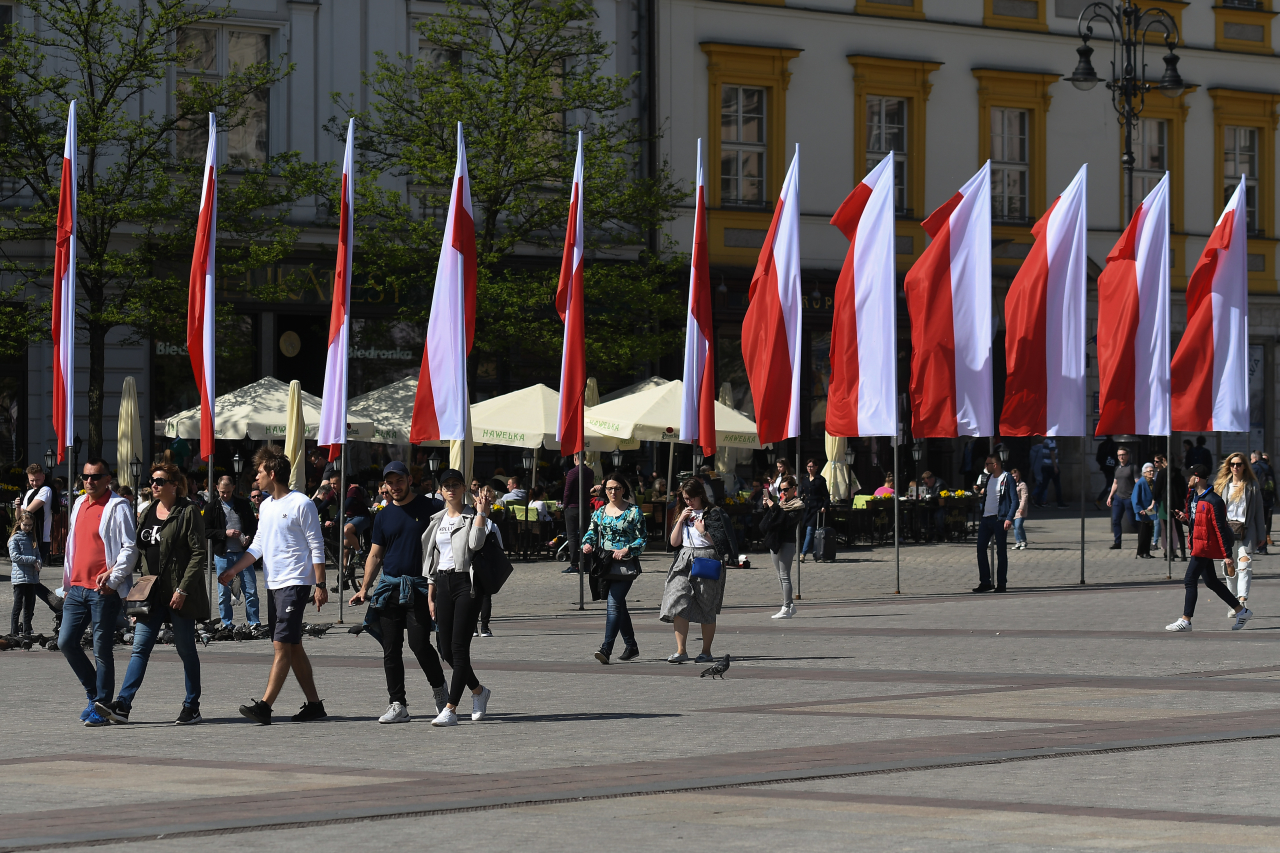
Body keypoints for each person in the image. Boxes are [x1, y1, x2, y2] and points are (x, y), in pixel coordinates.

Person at [219, 446, 329, 725]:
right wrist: (233, 570)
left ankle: (265, 706)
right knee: (292, 646)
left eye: (259, 472)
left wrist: (321, 584)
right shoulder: (265, 506)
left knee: (281, 645)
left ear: (271, 473)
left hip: (296, 582)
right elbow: (258, 546)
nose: (256, 477)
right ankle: (315, 705)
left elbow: (317, 545)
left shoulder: (301, 503)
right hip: (273, 582)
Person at [96, 463, 209, 725]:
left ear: (174, 484)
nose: (154, 485)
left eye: (160, 480)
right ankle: (123, 706)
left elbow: (198, 554)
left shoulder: (188, 511)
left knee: (186, 650)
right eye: (152, 480)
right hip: (151, 593)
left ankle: (192, 705)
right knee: (139, 649)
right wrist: (114, 569)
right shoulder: (147, 511)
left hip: (178, 592)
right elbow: (135, 548)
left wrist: (183, 588)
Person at [349, 461, 449, 724]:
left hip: (419, 587)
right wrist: (364, 588)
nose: (394, 487)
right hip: (390, 588)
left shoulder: (431, 507)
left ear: (409, 480)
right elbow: (375, 553)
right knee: (390, 648)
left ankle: (441, 694)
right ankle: (397, 704)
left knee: (419, 644)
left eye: (399, 481)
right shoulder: (382, 516)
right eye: (390, 483)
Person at [59, 459, 138, 726]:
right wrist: (67, 583)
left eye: (95, 477)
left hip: (103, 591)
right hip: (77, 588)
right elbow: (73, 545)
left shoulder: (118, 506)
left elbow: (129, 548)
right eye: (85, 477)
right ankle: (95, 697)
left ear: (108, 479)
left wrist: (114, 578)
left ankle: (102, 705)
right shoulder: (79, 504)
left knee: (101, 649)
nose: (89, 482)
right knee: (66, 642)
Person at [420, 467, 495, 726]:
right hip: (442, 582)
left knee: (459, 647)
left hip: (467, 583)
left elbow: (475, 544)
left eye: (456, 484)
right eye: (446, 485)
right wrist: (431, 589)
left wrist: (482, 514)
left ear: (464, 488)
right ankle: (478, 691)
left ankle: (451, 709)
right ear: (440, 491)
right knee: (444, 648)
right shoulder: (437, 519)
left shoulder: (473, 515)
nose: (451, 488)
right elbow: (433, 557)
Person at [1166, 464, 1252, 632]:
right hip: (1197, 544)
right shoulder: (1193, 497)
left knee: (1190, 580)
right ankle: (1241, 611)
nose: (1187, 479)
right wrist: (1185, 520)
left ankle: (1186, 620)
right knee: (1211, 581)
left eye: (1189, 476)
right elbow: (1198, 523)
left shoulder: (1214, 501)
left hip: (1204, 547)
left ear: (1197, 478)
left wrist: (1227, 554)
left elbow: (1220, 528)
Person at [661, 478, 737, 662]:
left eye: (691, 498)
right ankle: (681, 650)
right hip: (684, 559)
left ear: (700, 495)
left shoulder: (713, 513)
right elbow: (674, 543)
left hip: (707, 559)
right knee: (677, 599)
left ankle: (706, 652)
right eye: (685, 498)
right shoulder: (682, 512)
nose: (688, 502)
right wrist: (680, 521)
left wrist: (703, 531)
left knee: (706, 605)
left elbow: (722, 543)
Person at [582, 474, 647, 664]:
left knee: (613, 603)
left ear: (623, 489)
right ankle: (631, 645)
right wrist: (587, 544)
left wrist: (628, 548)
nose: (613, 492)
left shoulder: (634, 512)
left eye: (617, 488)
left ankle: (606, 648)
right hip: (604, 563)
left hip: (625, 565)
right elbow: (591, 532)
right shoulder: (600, 512)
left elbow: (642, 538)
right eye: (609, 488)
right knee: (619, 606)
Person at [206, 475, 260, 629]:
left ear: (233, 489)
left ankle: (254, 622)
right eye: (222, 492)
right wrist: (225, 533)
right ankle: (226, 623)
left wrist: (249, 536)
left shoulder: (243, 504)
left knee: (250, 589)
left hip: (243, 554)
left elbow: (253, 525)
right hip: (223, 554)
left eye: (228, 492)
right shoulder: (212, 507)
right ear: (217, 488)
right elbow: (206, 531)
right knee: (224, 592)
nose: (225, 495)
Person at [1216, 452, 1266, 612]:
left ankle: (1242, 599)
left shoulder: (1252, 485)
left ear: (1244, 466)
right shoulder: (1222, 485)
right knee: (1229, 568)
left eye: (1238, 464)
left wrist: (1261, 534)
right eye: (1232, 464)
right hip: (1227, 531)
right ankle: (1234, 602)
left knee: (1244, 566)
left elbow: (1259, 511)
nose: (1235, 467)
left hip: (1247, 530)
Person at [759, 474, 805, 618]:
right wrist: (767, 507)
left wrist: (775, 508)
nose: (783, 493)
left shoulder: (798, 505)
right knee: (780, 575)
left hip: (787, 542)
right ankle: (790, 605)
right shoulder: (782, 503)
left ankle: (786, 607)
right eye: (781, 490)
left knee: (785, 576)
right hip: (775, 541)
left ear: (794, 489)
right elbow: (771, 522)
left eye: (785, 490)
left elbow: (785, 522)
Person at [9, 510, 58, 634]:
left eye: (30, 525)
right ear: (19, 523)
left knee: (29, 605)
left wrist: (39, 563)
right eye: (25, 525)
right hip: (19, 577)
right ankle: (14, 630)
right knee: (18, 604)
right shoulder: (15, 538)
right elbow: (15, 557)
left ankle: (27, 629)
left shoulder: (33, 538)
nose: (27, 527)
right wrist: (33, 560)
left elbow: (38, 555)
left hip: (32, 577)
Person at [973, 455, 1016, 593]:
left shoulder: (1007, 477)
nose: (985, 466)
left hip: (1000, 519)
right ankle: (985, 582)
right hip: (986, 519)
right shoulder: (989, 478)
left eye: (987, 464)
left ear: (995, 464)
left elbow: (1014, 500)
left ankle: (1001, 584)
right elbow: (986, 497)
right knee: (980, 549)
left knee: (1001, 552)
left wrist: (1009, 518)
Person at [17, 463, 55, 564]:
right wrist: (17, 507)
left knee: (33, 570)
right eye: (31, 480)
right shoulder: (29, 493)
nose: (34, 483)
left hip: (40, 537)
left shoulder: (46, 489)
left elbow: (28, 511)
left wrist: (22, 513)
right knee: (25, 571)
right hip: (26, 536)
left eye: (37, 479)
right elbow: (19, 517)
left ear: (43, 477)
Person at [563, 452, 594, 574]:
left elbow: (567, 491)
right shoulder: (590, 472)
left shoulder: (572, 472)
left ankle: (574, 564)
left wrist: (565, 505)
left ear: (575, 458)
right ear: (585, 458)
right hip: (585, 507)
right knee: (586, 535)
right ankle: (587, 563)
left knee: (572, 536)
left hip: (572, 507)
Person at [798, 459, 829, 563]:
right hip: (807, 508)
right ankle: (815, 551)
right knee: (805, 530)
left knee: (810, 531)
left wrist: (824, 506)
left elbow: (826, 496)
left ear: (816, 467)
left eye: (811, 467)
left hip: (816, 508)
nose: (809, 469)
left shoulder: (820, 480)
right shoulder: (805, 479)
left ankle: (803, 554)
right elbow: (802, 491)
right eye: (808, 467)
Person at [1107, 446, 1138, 550]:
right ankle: (1117, 542)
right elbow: (1115, 483)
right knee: (1115, 521)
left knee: (1133, 521)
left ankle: (1143, 540)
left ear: (1128, 456)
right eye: (1119, 455)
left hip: (1129, 498)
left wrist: (1136, 497)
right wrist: (1110, 496)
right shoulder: (1117, 468)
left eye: (1123, 455)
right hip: (1118, 498)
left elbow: (1137, 483)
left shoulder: (1133, 467)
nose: (1121, 457)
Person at [1251, 450, 1275, 555]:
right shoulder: (1269, 467)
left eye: (1251, 459)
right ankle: (1263, 547)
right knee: (1264, 523)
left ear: (1255, 458)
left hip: (1258, 498)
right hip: (1268, 498)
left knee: (1257, 522)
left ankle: (1260, 547)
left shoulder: (1254, 467)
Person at [1132, 463, 1157, 559]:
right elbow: (1134, 498)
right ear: (1144, 473)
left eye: (1152, 471)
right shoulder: (1140, 483)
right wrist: (1138, 509)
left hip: (1150, 509)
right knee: (1143, 532)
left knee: (1149, 531)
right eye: (1149, 471)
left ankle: (1147, 551)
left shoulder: (1153, 482)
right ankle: (1141, 552)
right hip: (1142, 510)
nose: (1151, 473)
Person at [1095, 436, 1118, 509]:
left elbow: (1098, 458)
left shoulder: (1102, 445)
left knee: (1111, 484)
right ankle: (1099, 500)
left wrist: (1103, 464)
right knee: (1110, 485)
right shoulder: (1114, 445)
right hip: (1112, 468)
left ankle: (1110, 500)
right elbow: (1116, 457)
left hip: (1105, 468)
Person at [1010, 469, 1029, 550]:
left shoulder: (1022, 485)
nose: (1015, 478)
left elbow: (1024, 497)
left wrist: (1022, 508)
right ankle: (1018, 542)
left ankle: (1023, 541)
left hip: (1020, 508)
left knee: (1018, 525)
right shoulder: (1010, 484)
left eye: (1016, 476)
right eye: (1013, 476)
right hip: (1012, 508)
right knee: (1014, 526)